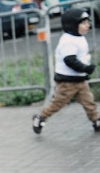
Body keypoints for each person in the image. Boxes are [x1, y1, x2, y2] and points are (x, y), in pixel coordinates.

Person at [33, 7, 100, 135]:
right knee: (57, 103)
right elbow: (70, 60)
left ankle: (96, 120)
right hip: (67, 82)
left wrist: (84, 71)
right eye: (84, 23)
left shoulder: (78, 37)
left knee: (89, 101)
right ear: (73, 25)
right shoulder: (68, 41)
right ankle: (40, 117)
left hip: (80, 79)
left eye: (88, 23)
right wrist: (85, 68)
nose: (88, 26)